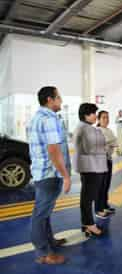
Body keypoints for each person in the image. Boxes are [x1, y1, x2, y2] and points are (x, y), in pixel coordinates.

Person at [28, 86, 71, 265]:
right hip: (48, 174)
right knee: (40, 214)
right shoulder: (48, 120)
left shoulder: (37, 117)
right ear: (49, 100)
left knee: (44, 212)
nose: (61, 100)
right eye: (58, 97)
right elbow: (53, 150)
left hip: (41, 172)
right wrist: (66, 176)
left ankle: (49, 241)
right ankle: (43, 253)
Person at [73, 103, 108, 237]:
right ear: (86, 115)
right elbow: (90, 148)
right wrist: (104, 148)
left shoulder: (86, 127)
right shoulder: (85, 129)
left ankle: (87, 224)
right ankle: (89, 224)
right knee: (88, 197)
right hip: (91, 168)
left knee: (87, 196)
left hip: (91, 167)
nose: (95, 116)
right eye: (93, 113)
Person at [97, 110, 118, 214]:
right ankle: (99, 208)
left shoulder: (109, 130)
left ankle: (105, 205)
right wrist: (109, 142)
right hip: (101, 161)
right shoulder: (97, 130)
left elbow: (115, 142)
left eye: (107, 117)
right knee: (100, 185)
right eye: (103, 117)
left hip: (108, 159)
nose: (106, 120)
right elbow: (107, 142)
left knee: (106, 185)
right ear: (99, 119)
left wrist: (109, 143)